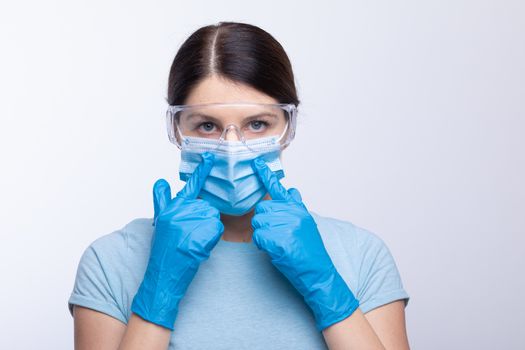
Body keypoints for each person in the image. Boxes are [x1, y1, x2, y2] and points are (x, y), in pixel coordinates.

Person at [68, 22, 411, 350]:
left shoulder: (360, 255)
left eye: (258, 124)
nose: (231, 147)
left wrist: (326, 287)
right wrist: (159, 290)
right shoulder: (111, 261)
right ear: (177, 130)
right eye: (206, 126)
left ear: (287, 128)